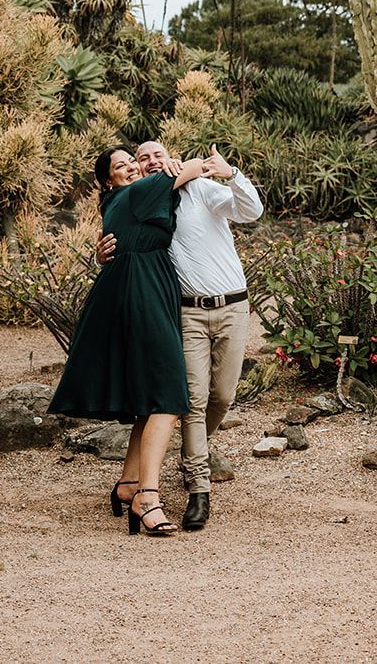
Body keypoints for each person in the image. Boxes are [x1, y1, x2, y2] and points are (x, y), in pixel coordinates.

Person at [98, 141, 263, 533]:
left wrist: (230, 173)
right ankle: (197, 489)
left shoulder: (199, 191)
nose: (150, 162)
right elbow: (125, 240)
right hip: (185, 310)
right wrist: (100, 256)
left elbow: (250, 210)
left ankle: (178, 455)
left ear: (168, 157)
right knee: (190, 399)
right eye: (142, 158)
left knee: (222, 398)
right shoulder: (146, 201)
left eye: (158, 155)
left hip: (233, 306)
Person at [50, 145, 212, 537]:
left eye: (132, 162)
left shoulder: (119, 200)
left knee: (152, 395)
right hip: (141, 292)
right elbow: (197, 166)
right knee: (170, 395)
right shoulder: (139, 191)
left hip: (138, 287)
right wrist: (178, 164)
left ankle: (127, 483)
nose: (131, 168)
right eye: (121, 166)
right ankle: (147, 497)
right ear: (109, 180)